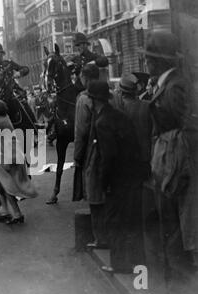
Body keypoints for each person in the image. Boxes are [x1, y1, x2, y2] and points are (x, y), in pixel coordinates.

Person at [144, 31, 198, 274]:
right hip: (170, 161)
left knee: (179, 221)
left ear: (159, 61)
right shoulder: (167, 83)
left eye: (149, 58)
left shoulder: (175, 87)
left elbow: (187, 128)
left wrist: (174, 162)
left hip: (178, 163)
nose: (146, 62)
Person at [88, 81, 146, 274]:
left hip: (118, 179)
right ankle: (139, 263)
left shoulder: (101, 122)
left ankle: (119, 263)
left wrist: (105, 183)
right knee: (133, 220)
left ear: (94, 101)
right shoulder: (120, 116)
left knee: (115, 220)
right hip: (134, 175)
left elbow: (108, 157)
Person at [72, 64, 109, 248]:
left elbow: (81, 131)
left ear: (85, 78)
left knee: (94, 193)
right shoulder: (111, 93)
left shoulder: (83, 99)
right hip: (110, 149)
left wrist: (77, 157)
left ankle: (100, 238)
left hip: (92, 150)